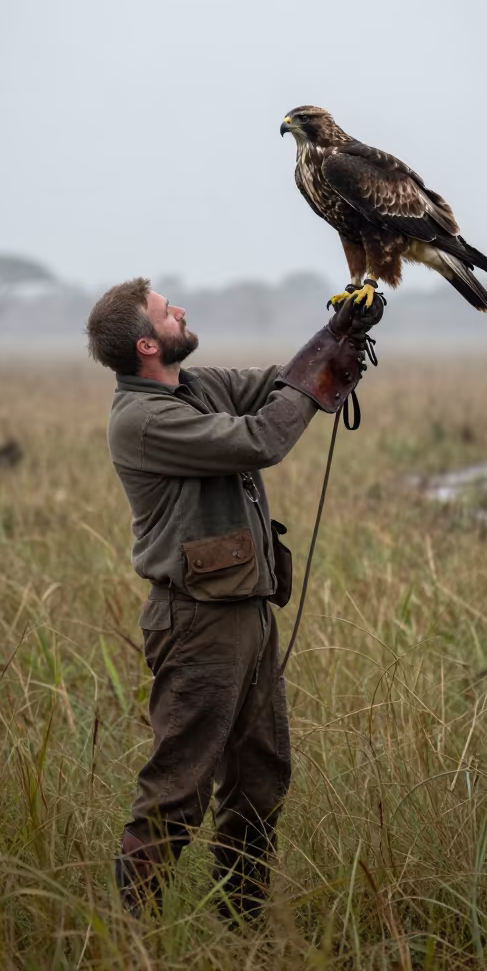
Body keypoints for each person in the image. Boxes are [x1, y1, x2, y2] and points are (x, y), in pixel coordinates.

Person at [85, 277, 383, 921]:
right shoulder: (142, 420)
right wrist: (318, 376)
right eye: (168, 312)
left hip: (248, 608)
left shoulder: (197, 386)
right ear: (146, 345)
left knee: (261, 779)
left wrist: (338, 332)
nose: (180, 310)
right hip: (195, 621)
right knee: (178, 787)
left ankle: (240, 929)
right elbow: (260, 440)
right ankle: (133, 938)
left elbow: (285, 379)